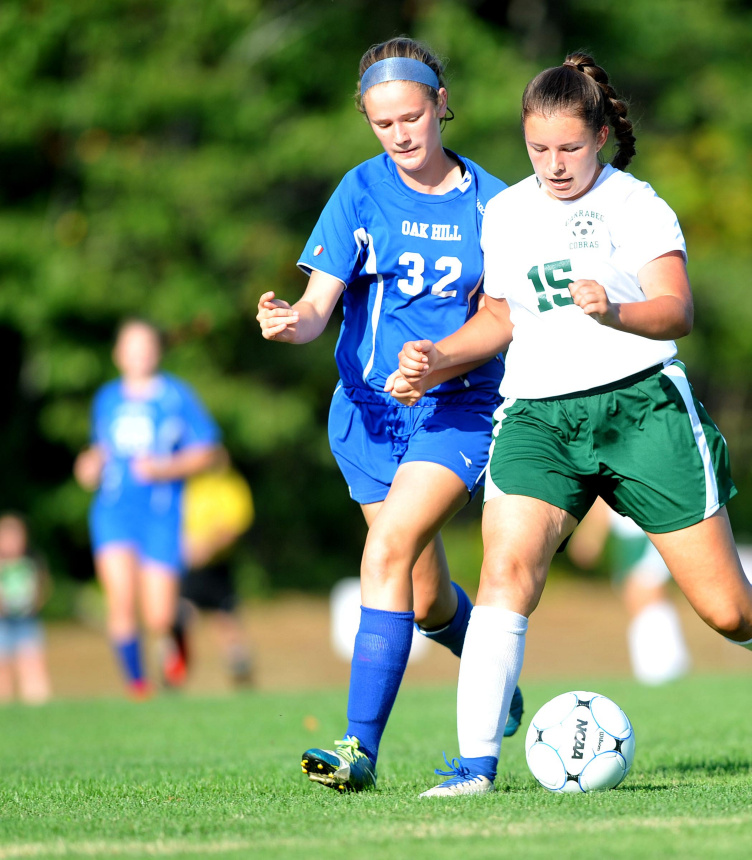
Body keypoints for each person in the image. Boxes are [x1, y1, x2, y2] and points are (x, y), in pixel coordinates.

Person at [390, 52, 752, 796]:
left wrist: (613, 310)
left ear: (602, 139)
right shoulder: (506, 211)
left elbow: (676, 308)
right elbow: (498, 318)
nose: (553, 165)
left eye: (569, 149)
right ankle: (474, 767)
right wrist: (437, 360)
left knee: (726, 609)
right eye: (538, 148)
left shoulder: (635, 205)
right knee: (505, 572)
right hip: (538, 418)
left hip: (640, 406)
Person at [255, 37, 522, 793]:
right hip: (368, 417)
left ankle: (357, 750)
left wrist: (438, 360)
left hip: (457, 408)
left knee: (386, 554)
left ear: (441, 105)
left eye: (412, 117)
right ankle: (487, 669)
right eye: (383, 124)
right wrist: (289, 323)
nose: (401, 135)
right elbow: (316, 307)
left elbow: (503, 320)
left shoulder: (495, 205)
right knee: (426, 595)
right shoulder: (360, 190)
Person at [74, 319, 222, 699]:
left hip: (161, 512)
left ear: (157, 351)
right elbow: (101, 450)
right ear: (117, 354)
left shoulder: (177, 396)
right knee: (120, 601)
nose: (138, 353)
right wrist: (88, 465)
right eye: (130, 345)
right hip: (113, 510)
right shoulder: (107, 398)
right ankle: (138, 687)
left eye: (145, 345)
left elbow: (210, 452)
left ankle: (178, 628)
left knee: (158, 615)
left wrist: (165, 468)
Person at [568, 497, 690, 685]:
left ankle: (665, 666)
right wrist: (591, 535)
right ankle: (656, 667)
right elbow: (600, 505)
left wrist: (591, 535)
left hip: (649, 532)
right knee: (635, 598)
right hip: (626, 540)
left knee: (646, 592)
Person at [169, 454, 255, 688]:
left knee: (226, 620)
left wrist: (208, 546)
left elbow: (235, 525)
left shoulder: (231, 484)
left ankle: (241, 673)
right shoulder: (189, 483)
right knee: (179, 617)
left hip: (217, 566)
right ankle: (174, 673)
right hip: (189, 567)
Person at [0, 513, 52, 705]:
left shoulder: (33, 560)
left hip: (28, 621)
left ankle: (38, 708)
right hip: (2, 623)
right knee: (2, 670)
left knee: (33, 665)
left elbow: (44, 586)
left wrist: (36, 601)